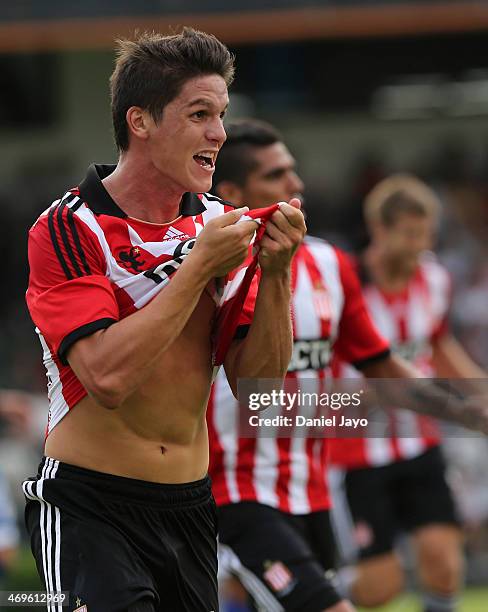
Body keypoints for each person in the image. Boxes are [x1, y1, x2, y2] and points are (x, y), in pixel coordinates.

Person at [23, 30, 306, 612]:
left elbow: (259, 386)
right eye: (200, 114)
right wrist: (197, 268)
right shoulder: (68, 229)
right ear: (141, 122)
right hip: (88, 508)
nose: (219, 134)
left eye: (222, 115)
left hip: (190, 507)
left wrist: (277, 274)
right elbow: (106, 378)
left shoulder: (222, 225)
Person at [330, 174, 487, 612]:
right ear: (379, 229)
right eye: (410, 234)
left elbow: (438, 345)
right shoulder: (345, 287)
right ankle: (311, 596)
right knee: (381, 587)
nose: (421, 244)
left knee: (444, 563)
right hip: (358, 451)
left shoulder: (434, 279)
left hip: (420, 443)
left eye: (428, 234)